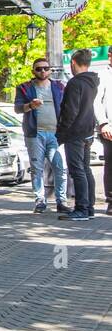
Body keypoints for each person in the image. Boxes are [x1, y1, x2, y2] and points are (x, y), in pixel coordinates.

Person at [14, 57, 67, 213]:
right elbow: (17, 108)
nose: (43, 71)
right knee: (37, 169)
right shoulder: (25, 88)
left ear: (50, 70)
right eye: (39, 69)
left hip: (56, 134)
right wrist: (31, 105)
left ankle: (61, 201)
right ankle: (40, 201)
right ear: (33, 71)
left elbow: (66, 108)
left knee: (60, 167)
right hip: (34, 133)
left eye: (45, 68)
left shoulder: (59, 87)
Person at [56, 48, 100, 221]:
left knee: (77, 170)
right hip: (88, 130)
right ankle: (89, 207)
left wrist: (60, 134)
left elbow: (70, 111)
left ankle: (81, 208)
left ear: (73, 62)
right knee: (85, 169)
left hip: (75, 132)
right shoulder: (92, 82)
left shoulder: (75, 83)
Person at [95, 62, 112, 214]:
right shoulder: (103, 75)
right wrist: (103, 123)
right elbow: (97, 102)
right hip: (109, 128)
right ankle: (111, 201)